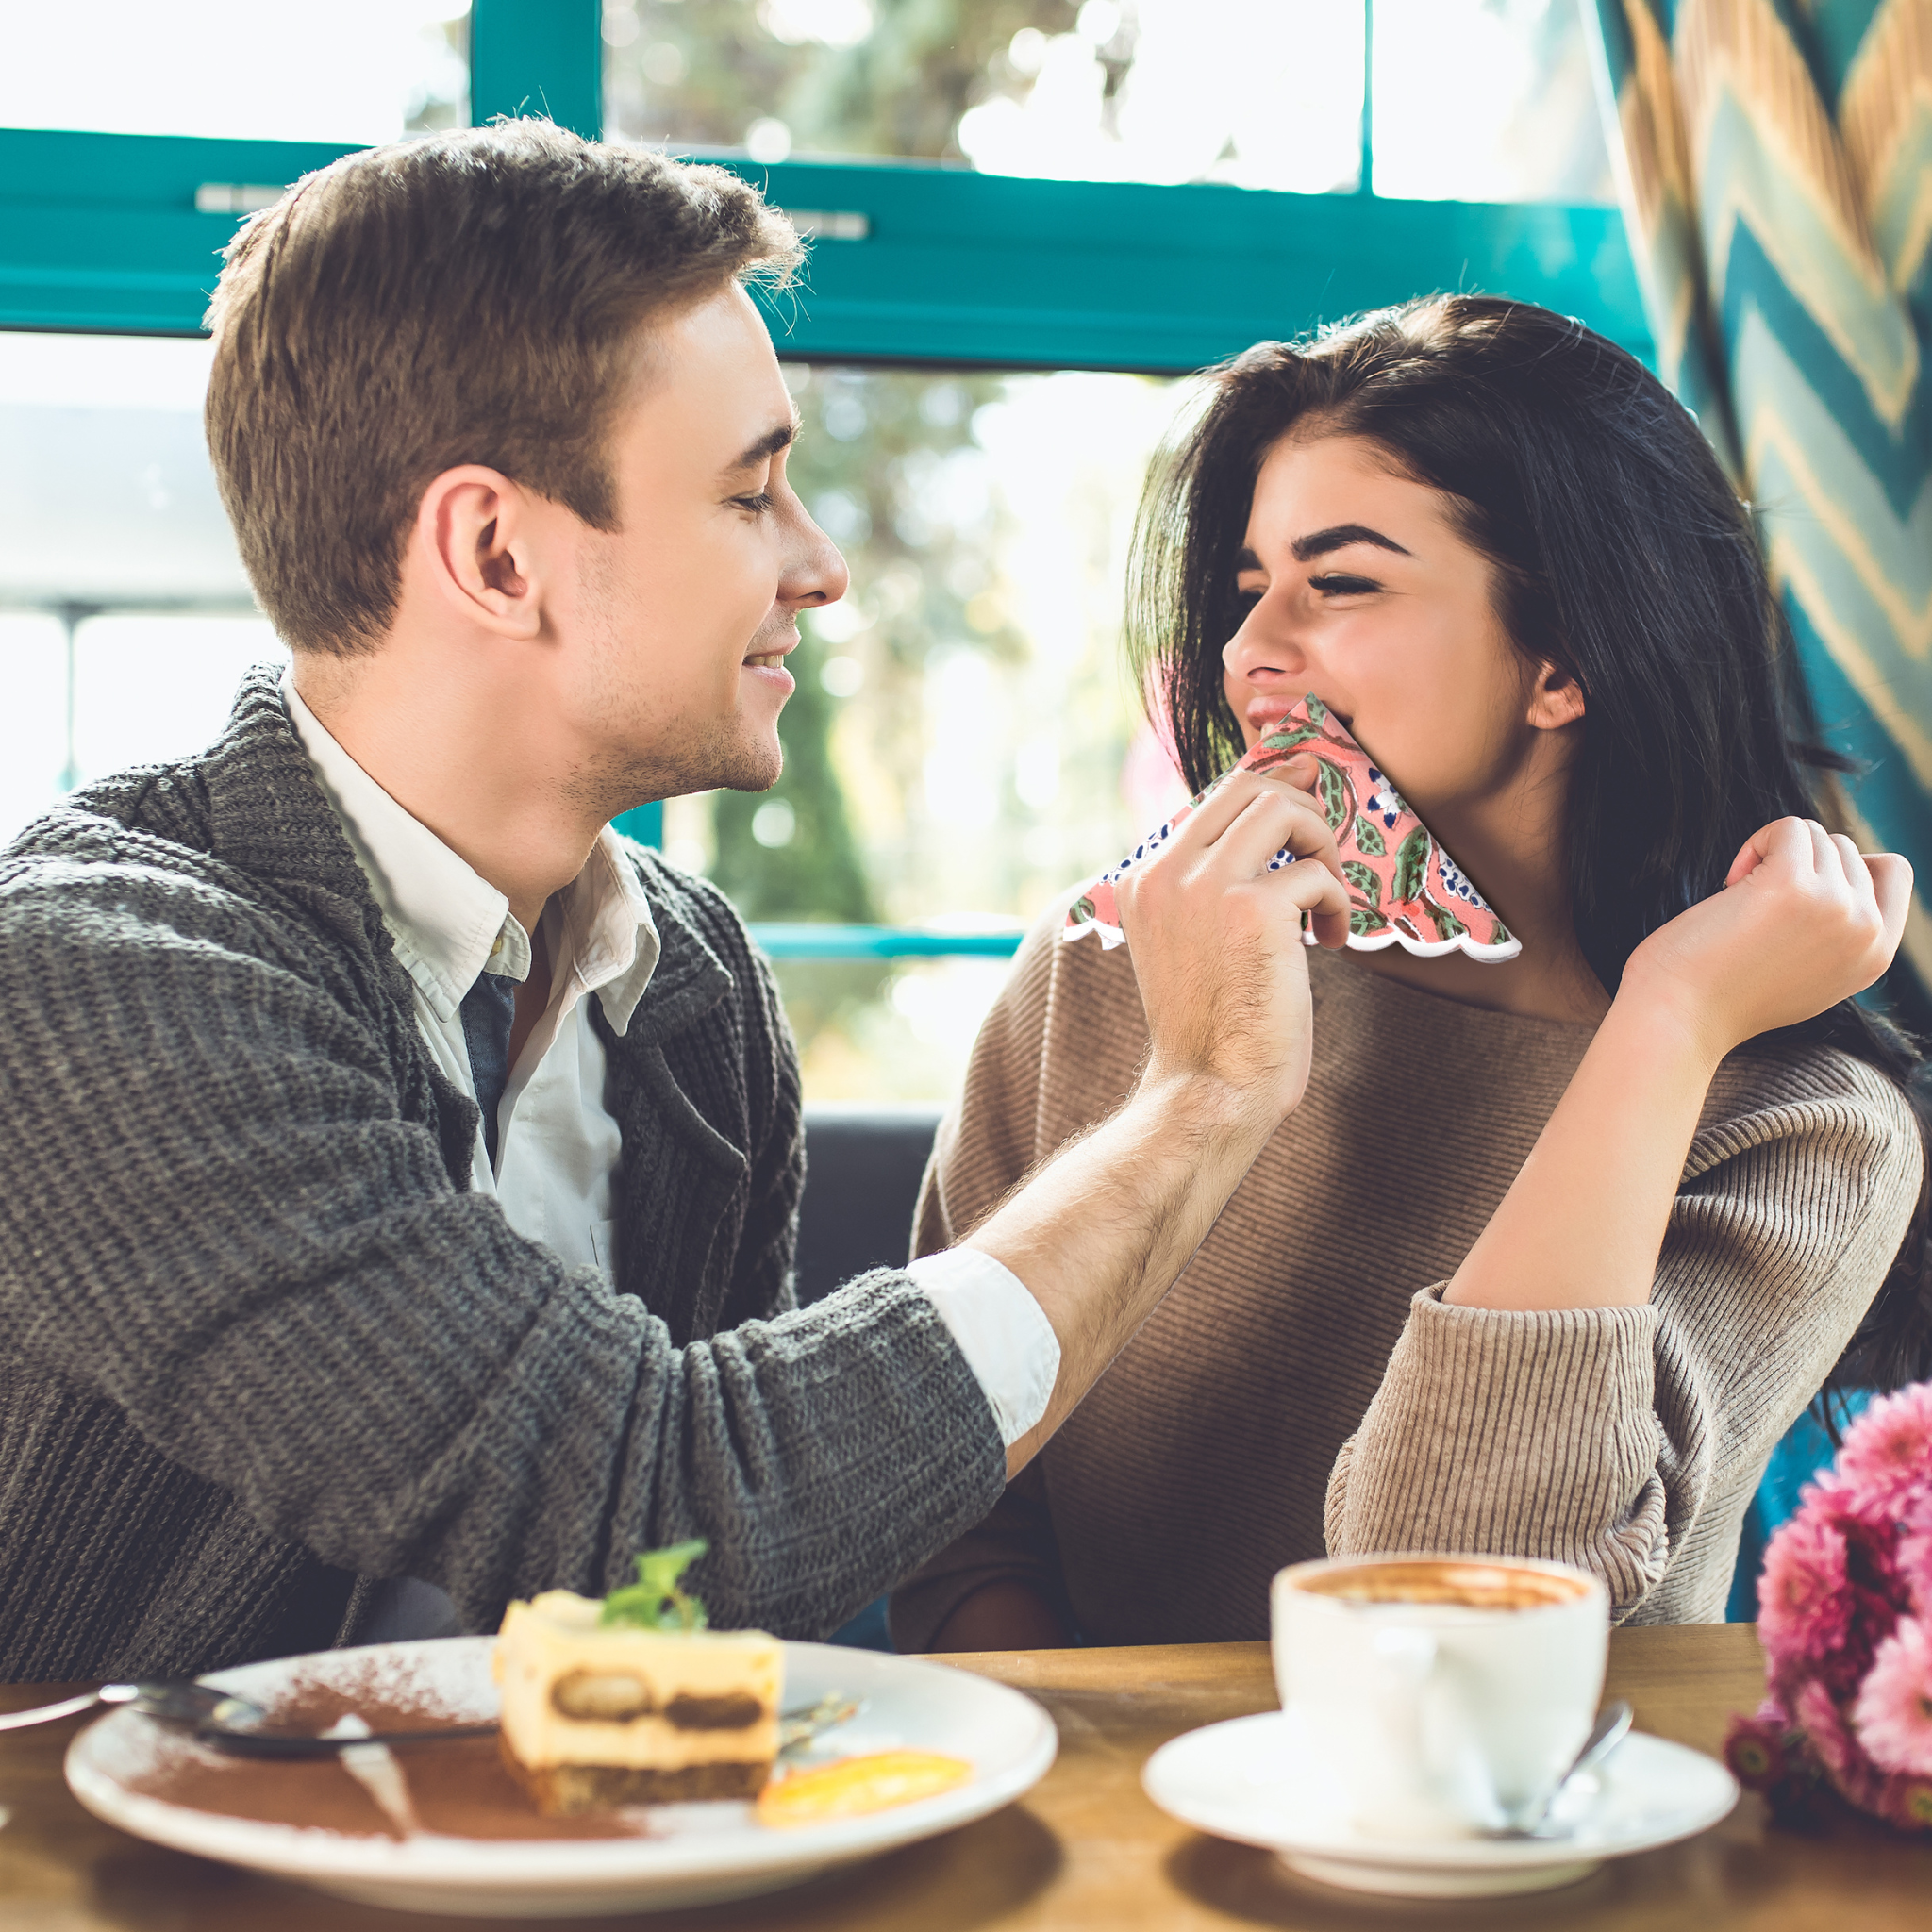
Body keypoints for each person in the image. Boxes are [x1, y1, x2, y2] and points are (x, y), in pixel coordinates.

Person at [0, 123, 1356, 1681]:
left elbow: (712, 1625)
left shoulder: (693, 980)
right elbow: (656, 1515)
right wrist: (1196, 1097)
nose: (821, 563)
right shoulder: (90, 975)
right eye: (749, 494)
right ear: (499, 554)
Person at [891, 295, 1926, 1653]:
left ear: (1564, 661)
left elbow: (1454, 1610)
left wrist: (1668, 1022)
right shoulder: (1115, 974)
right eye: (1249, 584)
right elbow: (947, 1500)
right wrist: (1095, 1798)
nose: (1252, 651)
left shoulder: (1808, 1128)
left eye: (1343, 581)